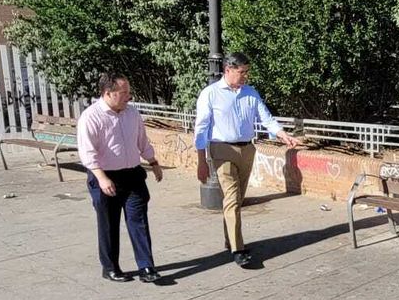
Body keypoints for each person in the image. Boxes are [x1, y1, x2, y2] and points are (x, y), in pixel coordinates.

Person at [194, 53, 303, 267]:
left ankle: (230, 240)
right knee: (232, 198)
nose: (245, 76)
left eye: (246, 72)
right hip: (221, 149)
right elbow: (201, 129)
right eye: (241, 72)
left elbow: (266, 118)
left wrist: (283, 135)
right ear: (228, 69)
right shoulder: (210, 94)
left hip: (247, 150)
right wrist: (201, 160)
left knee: (237, 199)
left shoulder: (251, 93)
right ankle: (238, 249)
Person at [77, 73, 171, 285]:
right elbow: (87, 153)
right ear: (108, 93)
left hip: (132, 175)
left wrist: (153, 162)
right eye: (124, 92)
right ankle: (110, 267)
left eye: (128, 92)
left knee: (138, 220)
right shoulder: (91, 117)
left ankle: (147, 266)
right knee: (109, 223)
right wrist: (101, 178)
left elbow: (142, 141)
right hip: (105, 176)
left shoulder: (132, 114)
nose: (129, 96)